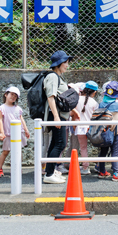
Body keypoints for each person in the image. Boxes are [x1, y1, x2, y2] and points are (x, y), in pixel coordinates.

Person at [43, 50, 73, 184]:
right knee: (60, 143)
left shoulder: (58, 77)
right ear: (59, 63)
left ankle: (51, 171)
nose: (67, 65)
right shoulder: (53, 77)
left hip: (58, 115)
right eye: (65, 62)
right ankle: (49, 174)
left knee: (55, 143)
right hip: (56, 115)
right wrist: (56, 117)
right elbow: (51, 97)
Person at [96, 81, 118, 182]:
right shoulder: (117, 105)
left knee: (103, 152)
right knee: (114, 152)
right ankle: (116, 173)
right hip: (114, 131)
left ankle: (102, 171)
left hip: (103, 131)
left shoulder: (101, 103)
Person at [0, 86, 29, 177]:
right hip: (8, 133)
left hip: (19, 132)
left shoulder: (18, 108)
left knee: (19, 151)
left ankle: (18, 167)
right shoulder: (1, 108)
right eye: (11, 94)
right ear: (6, 95)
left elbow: (21, 119)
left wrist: (26, 130)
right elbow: (0, 121)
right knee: (5, 151)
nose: (13, 97)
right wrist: (1, 132)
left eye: (15, 96)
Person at [70, 81, 99, 175]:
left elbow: (72, 114)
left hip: (80, 128)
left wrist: (74, 126)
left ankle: (85, 168)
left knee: (83, 148)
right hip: (91, 129)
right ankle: (98, 166)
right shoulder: (94, 102)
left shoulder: (77, 100)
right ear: (94, 92)